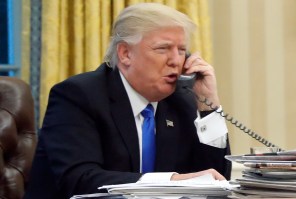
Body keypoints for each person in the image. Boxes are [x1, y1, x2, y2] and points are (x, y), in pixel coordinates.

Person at [24, 3, 231, 199]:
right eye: (163, 49)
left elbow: (217, 181)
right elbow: (80, 179)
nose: (176, 60)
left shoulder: (181, 100)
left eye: (181, 50)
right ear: (125, 54)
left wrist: (208, 106)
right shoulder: (78, 95)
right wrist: (171, 181)